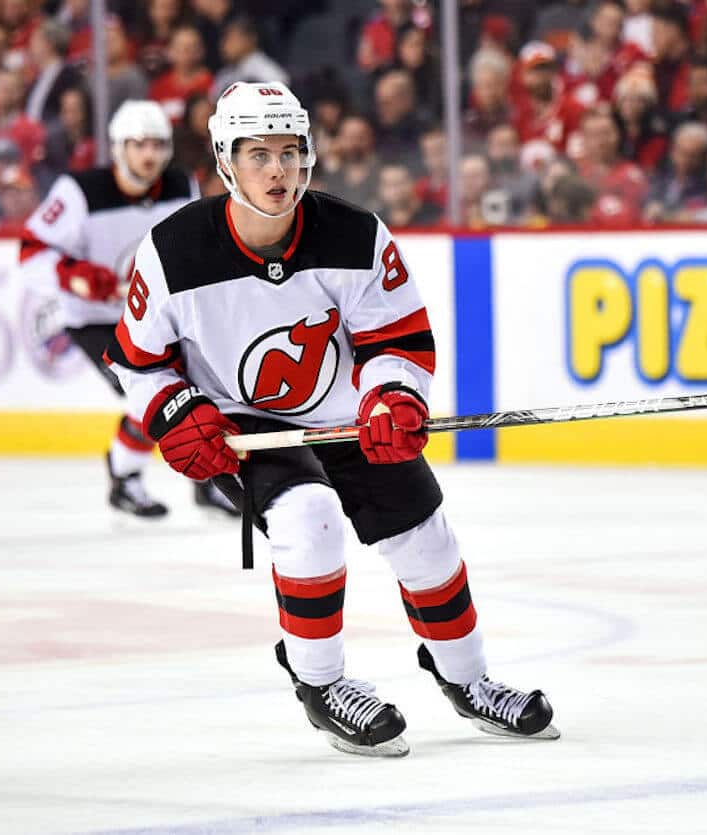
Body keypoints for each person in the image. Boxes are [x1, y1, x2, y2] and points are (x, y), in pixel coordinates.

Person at [104, 81, 559, 758]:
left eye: (289, 152)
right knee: (308, 517)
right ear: (226, 161)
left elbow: (397, 342)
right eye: (258, 154)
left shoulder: (356, 234)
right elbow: (136, 361)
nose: (277, 170)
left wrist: (393, 397)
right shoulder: (172, 252)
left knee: (426, 539)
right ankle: (321, 683)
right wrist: (176, 412)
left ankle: (467, 678)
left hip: (348, 416)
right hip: (244, 422)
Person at [17, 100, 234, 519]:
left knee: (207, 389)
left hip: (157, 318)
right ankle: (124, 479)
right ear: (119, 148)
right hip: (97, 321)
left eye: (156, 144)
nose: (148, 154)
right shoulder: (79, 191)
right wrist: (73, 274)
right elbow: (31, 252)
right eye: (138, 144)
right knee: (146, 395)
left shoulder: (181, 185)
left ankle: (209, 480)